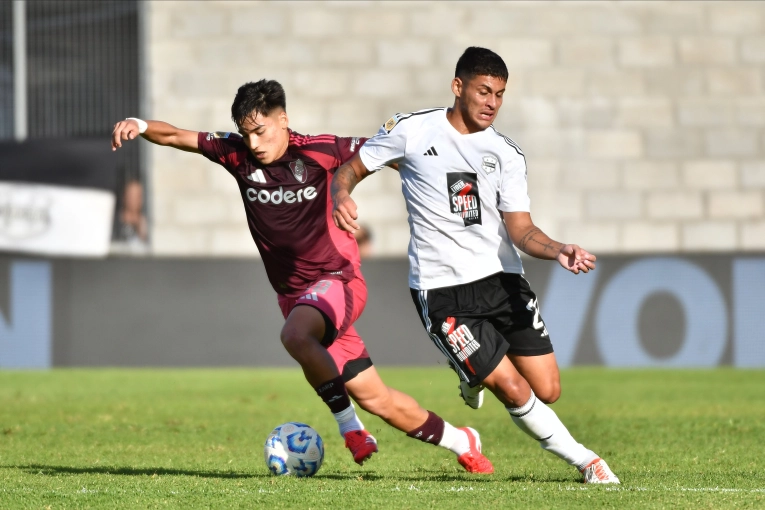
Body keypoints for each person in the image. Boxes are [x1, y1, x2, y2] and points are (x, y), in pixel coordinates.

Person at [111, 79, 493, 473]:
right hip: (296, 299)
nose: (254, 143)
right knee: (378, 400)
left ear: (284, 120)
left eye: (260, 131)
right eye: (246, 133)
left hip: (338, 281)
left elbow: (391, 152)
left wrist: (450, 180)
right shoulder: (236, 154)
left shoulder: (319, 150)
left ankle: (350, 430)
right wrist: (139, 124)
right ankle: (461, 440)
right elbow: (175, 135)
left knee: (295, 336)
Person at [331, 47, 620, 484]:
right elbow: (351, 170)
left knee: (548, 390)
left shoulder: (505, 153)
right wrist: (341, 195)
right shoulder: (411, 130)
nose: (492, 103)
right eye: (485, 91)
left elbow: (521, 230)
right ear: (458, 86)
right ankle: (588, 462)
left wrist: (559, 249)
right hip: (444, 292)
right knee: (514, 389)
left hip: (502, 281)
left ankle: (469, 373)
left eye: (500, 94)